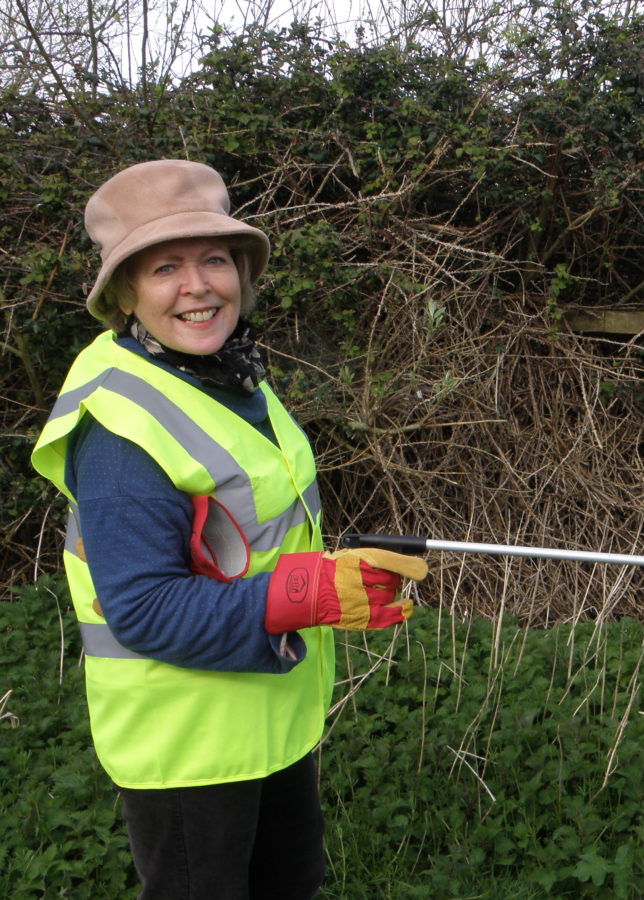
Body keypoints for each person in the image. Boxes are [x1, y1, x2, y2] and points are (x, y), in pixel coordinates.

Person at [31, 159, 427, 899]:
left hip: (267, 712)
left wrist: (328, 574)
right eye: (164, 268)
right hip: (188, 744)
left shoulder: (225, 372)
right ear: (124, 292)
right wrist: (304, 594)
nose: (199, 286)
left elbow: (255, 530)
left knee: (291, 882)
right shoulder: (122, 430)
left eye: (215, 259)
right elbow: (143, 608)